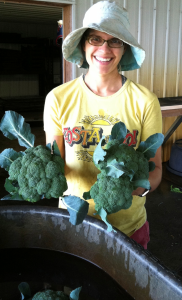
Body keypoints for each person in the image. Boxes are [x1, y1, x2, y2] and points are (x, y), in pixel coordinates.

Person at [44, 1, 162, 249]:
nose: (104, 48)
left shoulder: (145, 101)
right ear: (84, 45)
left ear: (124, 48)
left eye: (115, 40)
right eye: (95, 39)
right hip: (73, 221)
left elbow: (156, 170)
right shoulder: (58, 99)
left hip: (129, 227)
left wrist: (130, 192)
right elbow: (53, 162)